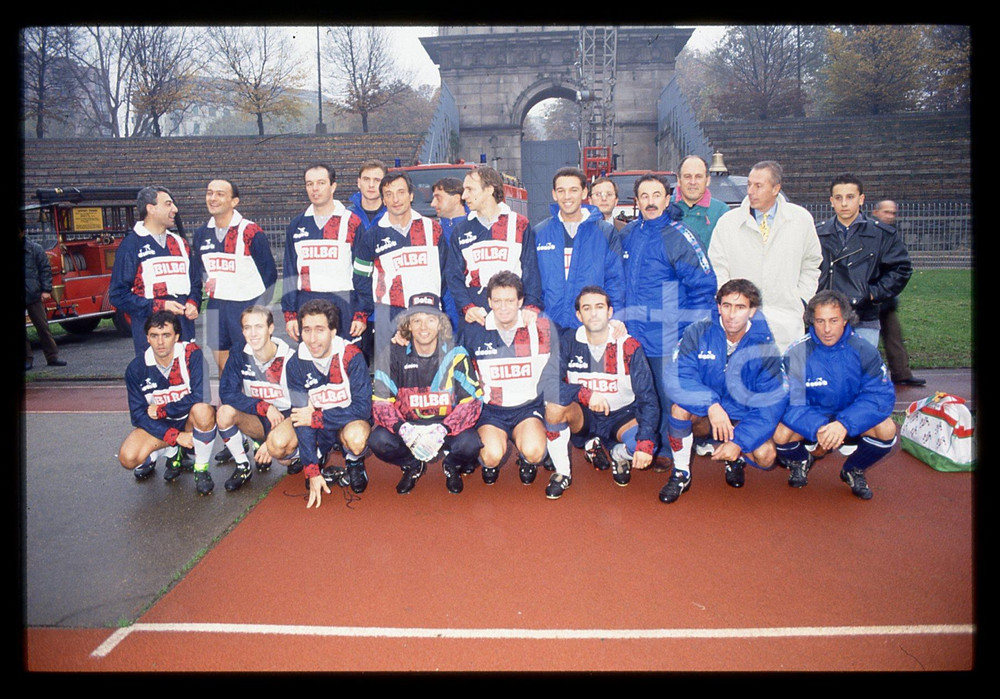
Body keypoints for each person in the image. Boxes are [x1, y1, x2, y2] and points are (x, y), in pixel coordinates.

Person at [619, 173, 718, 468]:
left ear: (667, 198)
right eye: (644, 197)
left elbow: (704, 287)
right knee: (640, 394)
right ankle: (642, 442)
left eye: (656, 195)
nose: (651, 202)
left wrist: (691, 333)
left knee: (667, 395)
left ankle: (667, 453)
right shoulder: (627, 235)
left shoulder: (680, 235)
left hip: (668, 334)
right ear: (636, 202)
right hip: (633, 333)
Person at [659, 279, 787, 503]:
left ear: (752, 310)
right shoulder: (697, 332)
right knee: (679, 409)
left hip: (742, 416)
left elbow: (771, 404)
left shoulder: (765, 346)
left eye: (740, 307)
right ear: (718, 307)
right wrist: (711, 404)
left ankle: (734, 458)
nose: (731, 314)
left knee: (766, 457)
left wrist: (739, 442)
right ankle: (681, 473)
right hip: (707, 414)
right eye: (726, 306)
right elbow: (677, 378)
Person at [773, 290, 897, 500]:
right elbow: (788, 402)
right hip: (813, 418)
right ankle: (801, 460)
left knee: (887, 430)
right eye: (820, 321)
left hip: (850, 417)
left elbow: (879, 396)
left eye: (833, 320)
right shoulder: (796, 353)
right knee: (779, 434)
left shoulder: (864, 350)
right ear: (811, 321)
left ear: (845, 319)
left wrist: (844, 424)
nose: (827, 329)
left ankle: (853, 469)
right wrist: (817, 427)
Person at [545, 286, 659, 498]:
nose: (594, 313)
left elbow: (648, 398)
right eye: (587, 308)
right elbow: (547, 383)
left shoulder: (628, 346)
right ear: (579, 315)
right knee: (554, 408)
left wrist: (644, 442)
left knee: (645, 445)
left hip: (621, 416)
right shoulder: (569, 341)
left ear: (609, 312)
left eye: (599, 307)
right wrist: (585, 394)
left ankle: (618, 453)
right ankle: (563, 473)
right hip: (585, 414)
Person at [267, 299, 372, 509]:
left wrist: (317, 418)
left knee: (357, 438)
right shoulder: (296, 363)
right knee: (276, 446)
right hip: (317, 426)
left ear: (333, 331)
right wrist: (311, 469)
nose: (312, 339)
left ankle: (353, 460)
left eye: (320, 330)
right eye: (306, 330)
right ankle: (317, 454)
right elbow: (301, 416)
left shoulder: (351, 356)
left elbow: (363, 408)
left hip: (346, 422)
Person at [370, 302, 484, 494]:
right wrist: (404, 429)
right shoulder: (392, 354)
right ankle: (412, 464)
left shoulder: (456, 353)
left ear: (440, 324)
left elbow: (471, 403)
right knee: (379, 440)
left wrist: (443, 429)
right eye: (417, 320)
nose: (424, 327)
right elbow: (380, 403)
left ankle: (452, 466)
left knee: (470, 445)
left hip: (445, 426)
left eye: (430, 320)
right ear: (408, 325)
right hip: (409, 425)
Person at [708, 160, 823, 353]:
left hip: (786, 322)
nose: (751, 191)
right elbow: (717, 267)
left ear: (776, 188)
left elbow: (812, 263)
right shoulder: (728, 223)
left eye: (758, 186)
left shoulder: (801, 220)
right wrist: (731, 306)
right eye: (749, 184)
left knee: (787, 379)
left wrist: (801, 299)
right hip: (740, 324)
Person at [463, 271, 559, 488]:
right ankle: (490, 462)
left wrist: (611, 328)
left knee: (535, 452)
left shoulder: (540, 328)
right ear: (488, 302)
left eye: (509, 300)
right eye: (497, 301)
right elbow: (451, 358)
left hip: (526, 409)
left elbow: (574, 341)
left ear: (521, 301)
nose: (503, 307)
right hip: (492, 411)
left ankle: (526, 460)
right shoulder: (474, 330)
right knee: (491, 455)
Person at [117, 311, 217, 495]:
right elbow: (138, 415)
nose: (160, 342)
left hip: (188, 419)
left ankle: (201, 468)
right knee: (128, 458)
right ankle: (171, 451)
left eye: (166, 335)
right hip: (161, 426)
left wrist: (163, 410)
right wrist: (174, 436)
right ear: (147, 338)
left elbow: (201, 396)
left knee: (204, 410)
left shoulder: (192, 355)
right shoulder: (136, 368)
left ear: (176, 337)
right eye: (154, 336)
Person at [353, 170, 448, 353]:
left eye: (401, 192)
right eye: (389, 194)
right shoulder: (372, 235)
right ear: (383, 200)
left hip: (429, 314)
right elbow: (360, 278)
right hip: (390, 318)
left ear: (411, 195)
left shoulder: (433, 229)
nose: (395, 199)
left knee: (434, 375)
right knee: (392, 377)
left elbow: (446, 273)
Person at [444, 166, 544, 338]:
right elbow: (453, 276)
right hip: (477, 319)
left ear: (489, 189)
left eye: (470, 189)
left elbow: (531, 270)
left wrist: (531, 306)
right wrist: (467, 306)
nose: (463, 196)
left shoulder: (519, 224)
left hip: (513, 318)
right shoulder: (461, 230)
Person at [816, 174, 912, 349]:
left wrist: (872, 293)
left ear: (861, 199)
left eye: (850, 197)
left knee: (860, 371)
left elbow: (901, 268)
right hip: (825, 319)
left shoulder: (882, 234)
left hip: (863, 317)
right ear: (831, 201)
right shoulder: (817, 233)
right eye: (839, 198)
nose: (844, 203)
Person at [191, 179, 276, 374]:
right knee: (224, 369)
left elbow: (269, 275)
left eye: (220, 194)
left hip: (245, 306)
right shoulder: (201, 233)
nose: (213, 198)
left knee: (252, 367)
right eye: (209, 193)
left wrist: (258, 310)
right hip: (215, 307)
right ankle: (227, 404)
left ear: (234, 201)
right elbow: (200, 272)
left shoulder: (250, 232)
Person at [110, 186, 201, 357]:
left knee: (186, 381)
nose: (175, 209)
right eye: (168, 204)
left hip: (184, 336)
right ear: (150, 209)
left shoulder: (180, 244)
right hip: (151, 340)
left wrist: (193, 303)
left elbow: (195, 284)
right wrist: (160, 305)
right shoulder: (131, 245)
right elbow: (118, 296)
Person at [216, 305, 298, 492]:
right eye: (247, 327)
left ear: (270, 328)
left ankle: (304, 454)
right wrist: (264, 407)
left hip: (286, 418)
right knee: (224, 412)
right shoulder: (239, 353)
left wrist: (272, 440)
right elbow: (227, 393)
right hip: (259, 414)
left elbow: (303, 406)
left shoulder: (291, 358)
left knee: (284, 457)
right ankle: (243, 466)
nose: (253, 333)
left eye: (259, 327)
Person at [281, 163, 365, 344]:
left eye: (320, 183)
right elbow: (289, 272)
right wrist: (289, 314)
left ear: (333, 186)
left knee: (345, 364)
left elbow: (364, 273)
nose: (315, 189)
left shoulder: (351, 222)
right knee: (312, 364)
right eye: (309, 184)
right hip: (307, 301)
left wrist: (361, 313)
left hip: (344, 301)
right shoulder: (297, 224)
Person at [532, 166, 624, 332]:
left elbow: (615, 281)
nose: (567, 197)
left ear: (583, 193)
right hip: (549, 328)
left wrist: (614, 318)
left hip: (591, 327)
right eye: (561, 190)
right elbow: (531, 282)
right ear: (554, 194)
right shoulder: (540, 233)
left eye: (573, 190)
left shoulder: (604, 233)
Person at [870, 199, 926, 387]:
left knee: (893, 334)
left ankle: (901, 373)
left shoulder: (890, 235)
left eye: (893, 213)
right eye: (886, 212)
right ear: (875, 212)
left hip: (885, 295)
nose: (890, 216)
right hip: (868, 296)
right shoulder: (868, 233)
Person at [23, 226, 66, 370]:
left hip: (33, 293)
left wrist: (46, 290)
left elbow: (45, 269)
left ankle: (52, 356)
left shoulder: (35, 249)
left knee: (42, 327)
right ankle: (27, 359)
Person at [430, 176, 468, 331]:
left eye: (438, 198)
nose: (432, 204)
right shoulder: (431, 231)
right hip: (443, 304)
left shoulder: (477, 228)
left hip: (471, 305)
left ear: (457, 198)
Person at [673, 155, 731, 251]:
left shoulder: (721, 212)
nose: (693, 182)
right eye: (687, 176)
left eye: (698, 176)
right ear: (679, 180)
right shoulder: (665, 207)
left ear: (707, 180)